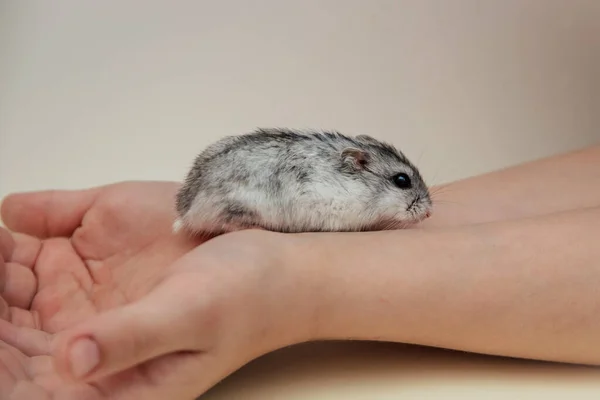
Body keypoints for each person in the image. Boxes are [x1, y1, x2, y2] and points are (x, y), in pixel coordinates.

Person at [0, 143, 599, 399]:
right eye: (397, 184)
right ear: (357, 167)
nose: (419, 202)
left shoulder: (342, 186)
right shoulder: (326, 185)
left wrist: (296, 280)